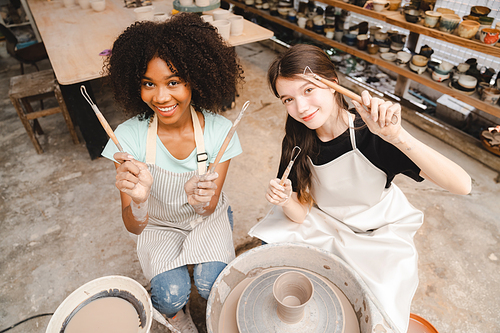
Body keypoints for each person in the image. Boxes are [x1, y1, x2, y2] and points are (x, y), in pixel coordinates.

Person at [249, 44, 471, 333]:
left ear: (333, 85)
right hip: (327, 223)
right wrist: (284, 200)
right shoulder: (297, 141)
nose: (300, 108)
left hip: (378, 233)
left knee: (375, 308)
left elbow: (462, 184)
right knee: (275, 263)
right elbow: (301, 212)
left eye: (308, 90)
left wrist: (396, 136)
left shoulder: (372, 133)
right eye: (288, 99)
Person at [101, 13, 244, 333]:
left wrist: (202, 200)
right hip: (158, 225)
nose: (161, 97)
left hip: (206, 219)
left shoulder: (221, 132)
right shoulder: (126, 139)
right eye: (148, 84)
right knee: (169, 296)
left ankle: (208, 306)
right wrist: (138, 201)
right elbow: (134, 226)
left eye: (174, 82)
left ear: (196, 78)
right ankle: (178, 317)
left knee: (213, 285)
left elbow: (208, 207)